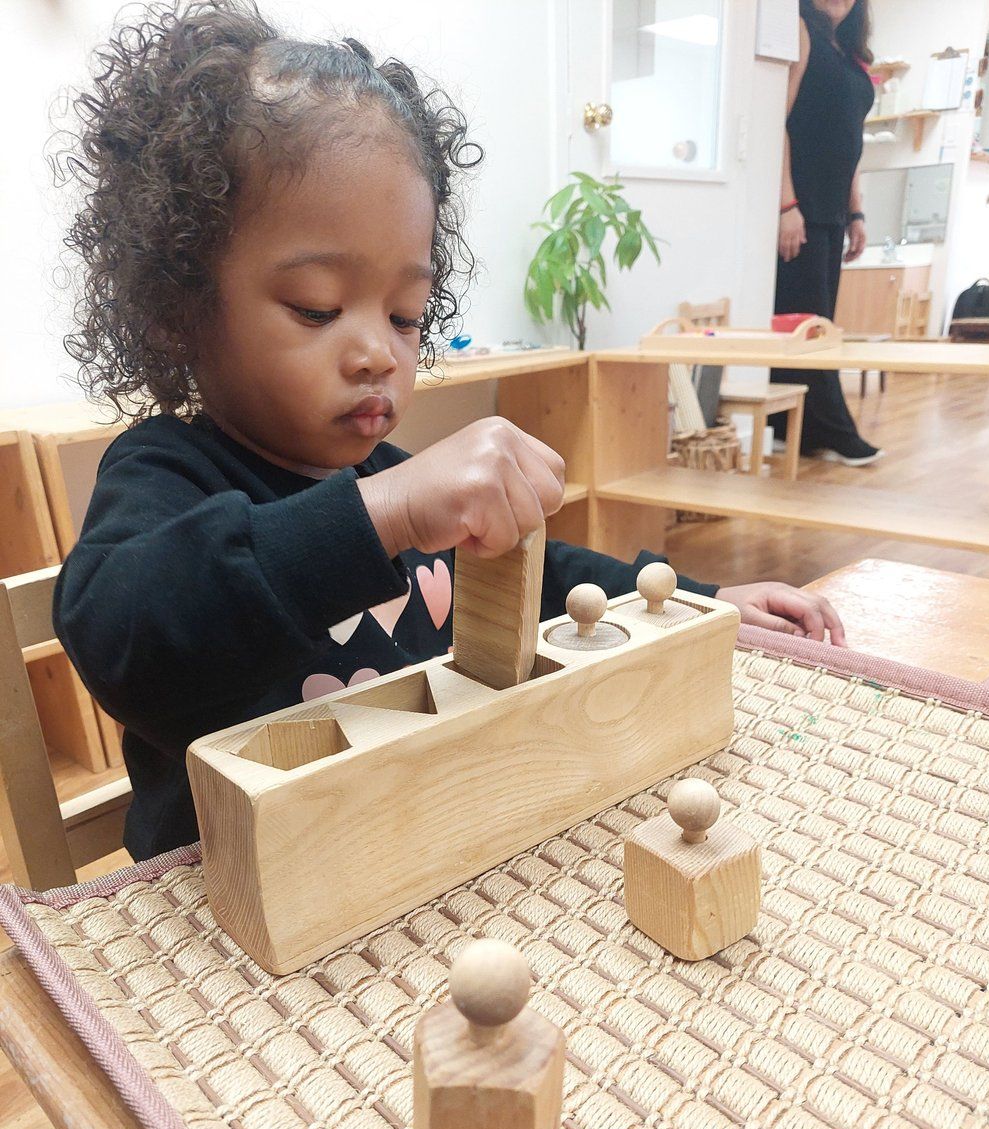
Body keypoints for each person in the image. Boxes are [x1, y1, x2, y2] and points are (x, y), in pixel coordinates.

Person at [53, 0, 845, 861]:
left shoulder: (394, 475)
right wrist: (381, 512)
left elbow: (553, 577)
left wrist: (694, 594)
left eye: (405, 315)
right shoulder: (164, 476)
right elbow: (125, 638)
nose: (376, 354)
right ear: (180, 309)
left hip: (418, 848)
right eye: (318, 308)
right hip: (234, 899)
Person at [773, 0, 882, 466]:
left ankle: (797, 432)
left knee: (817, 323)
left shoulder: (850, 53)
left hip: (833, 212)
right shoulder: (800, 31)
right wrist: (786, 204)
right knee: (807, 325)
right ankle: (833, 429)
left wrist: (856, 213)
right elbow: (777, 124)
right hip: (802, 206)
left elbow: (850, 141)